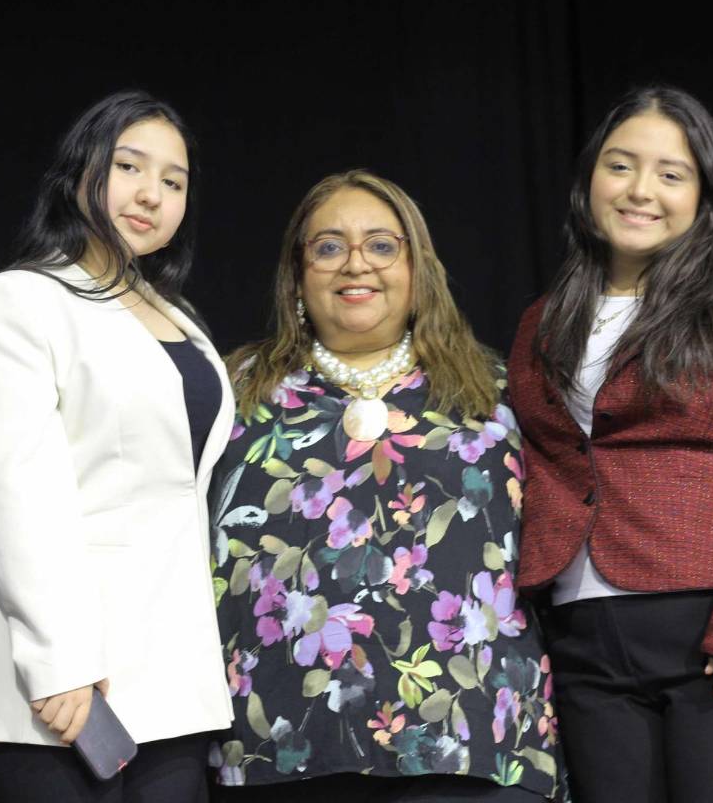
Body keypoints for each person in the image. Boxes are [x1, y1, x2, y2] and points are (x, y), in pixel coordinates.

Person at [507, 85, 713, 803]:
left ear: (705, 196)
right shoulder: (543, 320)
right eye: (620, 166)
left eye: (671, 174)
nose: (640, 190)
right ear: (589, 180)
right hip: (583, 636)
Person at [208, 170, 566, 801]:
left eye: (381, 244)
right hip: (283, 746)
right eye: (328, 247)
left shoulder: (497, 388)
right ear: (296, 274)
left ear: (416, 267)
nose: (356, 263)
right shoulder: (234, 389)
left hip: (473, 744)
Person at [0, 90, 234, 802]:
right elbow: (14, 492)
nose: (151, 194)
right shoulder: (15, 301)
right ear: (79, 174)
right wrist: (59, 659)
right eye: (129, 166)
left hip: (173, 672)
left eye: (173, 181)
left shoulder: (178, 318)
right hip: (65, 677)